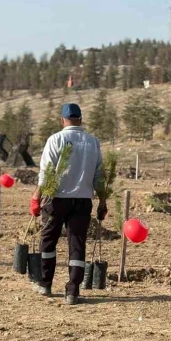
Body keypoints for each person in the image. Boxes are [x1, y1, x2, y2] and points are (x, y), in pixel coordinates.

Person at [30, 103, 105, 305]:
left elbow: (46, 171)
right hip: (82, 201)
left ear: (62, 120)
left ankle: (45, 283)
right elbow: (99, 175)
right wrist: (103, 201)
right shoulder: (93, 142)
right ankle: (72, 291)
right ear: (80, 119)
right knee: (77, 244)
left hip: (57, 199)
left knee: (48, 241)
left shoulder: (56, 139)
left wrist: (37, 195)